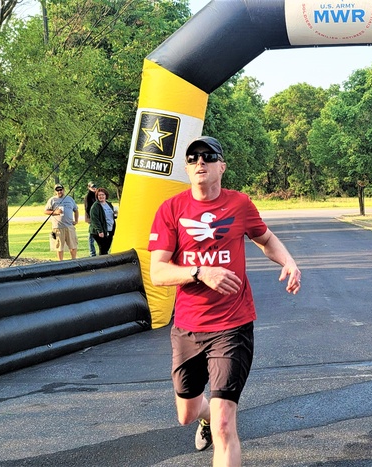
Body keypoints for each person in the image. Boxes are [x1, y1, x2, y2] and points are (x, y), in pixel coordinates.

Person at [148, 136, 302, 465]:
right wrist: (201, 272)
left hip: (232, 326)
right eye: (193, 158)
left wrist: (288, 261)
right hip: (187, 327)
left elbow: (266, 239)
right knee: (187, 413)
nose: (200, 162)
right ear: (187, 168)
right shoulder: (171, 209)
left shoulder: (240, 204)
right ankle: (202, 417)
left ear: (222, 166)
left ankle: (213, 421)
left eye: (208, 156)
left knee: (223, 423)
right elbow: (158, 272)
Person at [44, 184, 79, 260]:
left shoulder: (70, 199)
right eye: (57, 190)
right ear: (55, 191)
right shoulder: (52, 200)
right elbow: (46, 211)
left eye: (61, 189)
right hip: (58, 228)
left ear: (64, 190)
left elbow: (76, 210)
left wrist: (76, 220)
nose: (59, 191)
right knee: (59, 247)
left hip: (69, 226)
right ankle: (61, 262)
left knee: (73, 246)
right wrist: (55, 212)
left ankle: (74, 260)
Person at [88, 187, 116, 255]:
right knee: (103, 248)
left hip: (109, 229)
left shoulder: (109, 204)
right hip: (99, 231)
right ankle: (102, 263)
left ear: (106, 195)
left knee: (106, 248)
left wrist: (115, 215)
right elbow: (95, 219)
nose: (101, 196)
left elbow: (111, 216)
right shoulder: (95, 206)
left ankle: (104, 261)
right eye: (99, 195)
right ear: (97, 196)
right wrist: (100, 231)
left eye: (103, 195)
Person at [83, 182, 98, 257]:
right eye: (92, 187)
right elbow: (87, 208)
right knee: (91, 236)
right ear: (88, 187)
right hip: (92, 219)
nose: (94, 188)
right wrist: (91, 218)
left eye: (95, 187)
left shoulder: (97, 195)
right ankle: (92, 253)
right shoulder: (88, 196)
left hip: (97, 218)